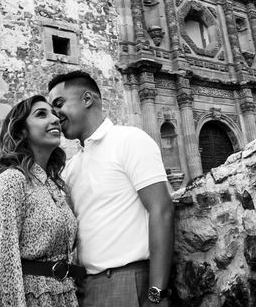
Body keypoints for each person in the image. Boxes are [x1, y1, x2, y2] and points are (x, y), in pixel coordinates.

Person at [47, 71, 174, 307]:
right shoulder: (71, 168)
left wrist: (156, 293)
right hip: (87, 287)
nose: (55, 115)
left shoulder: (129, 140)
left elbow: (162, 209)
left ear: (87, 99)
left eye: (59, 104)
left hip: (130, 281)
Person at [0, 95, 85, 307]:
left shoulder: (54, 185)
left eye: (54, 113)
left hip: (65, 296)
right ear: (22, 131)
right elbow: (3, 265)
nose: (55, 119)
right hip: (34, 298)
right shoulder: (12, 180)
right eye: (41, 114)